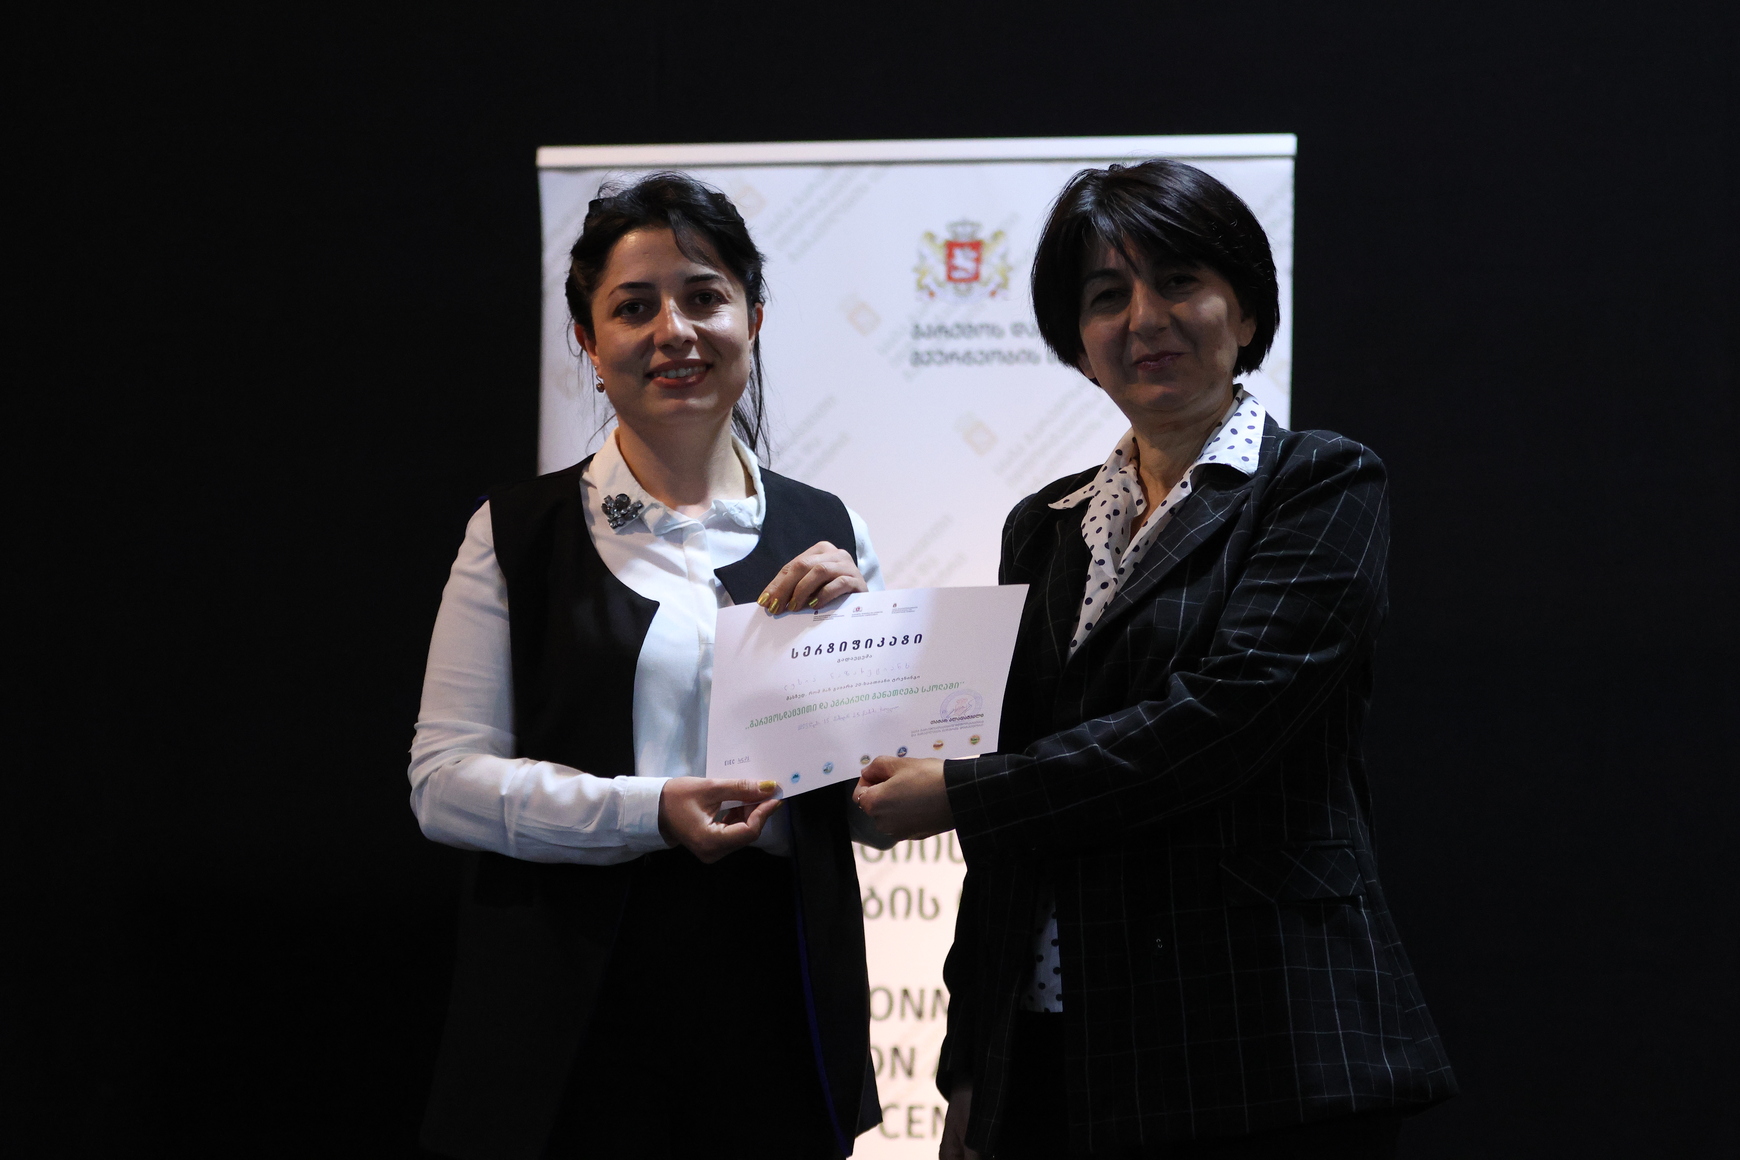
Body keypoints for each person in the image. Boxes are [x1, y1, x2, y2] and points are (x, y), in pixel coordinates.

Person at [855, 160, 1457, 1159]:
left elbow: (1217, 724)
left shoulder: (1319, 482)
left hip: (1257, 1042)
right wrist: (968, 1067)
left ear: (1246, 312)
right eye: (1106, 296)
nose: (1144, 318)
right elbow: (1012, 804)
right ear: (1078, 343)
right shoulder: (1041, 526)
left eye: (1179, 280)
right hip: (1047, 1039)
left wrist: (961, 792)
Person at [410, 172, 892, 1160]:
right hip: (572, 1008)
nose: (675, 331)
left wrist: (867, 650)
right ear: (589, 346)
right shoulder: (516, 532)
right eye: (634, 308)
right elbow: (443, 783)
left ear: (754, 320)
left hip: (779, 998)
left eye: (705, 297)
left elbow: (876, 798)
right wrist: (649, 810)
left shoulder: (834, 533)